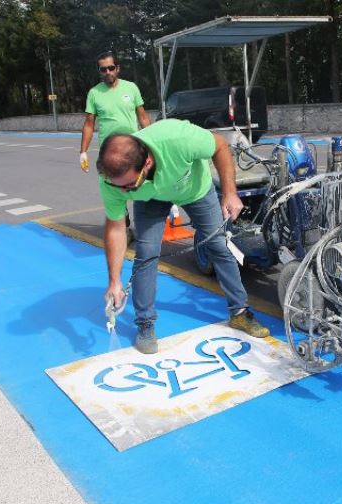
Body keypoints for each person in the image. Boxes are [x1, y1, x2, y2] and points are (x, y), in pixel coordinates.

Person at [97, 119, 270, 354]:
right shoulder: (114, 181)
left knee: (218, 246)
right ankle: (145, 325)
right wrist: (114, 281)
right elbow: (116, 228)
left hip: (194, 189)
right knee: (146, 254)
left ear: (147, 162)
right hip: (151, 199)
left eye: (130, 186)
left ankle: (239, 313)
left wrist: (229, 192)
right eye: (120, 187)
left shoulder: (178, 138)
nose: (124, 192)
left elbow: (220, 145)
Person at [79, 52, 150, 172]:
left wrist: (151, 143)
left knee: (137, 185)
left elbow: (143, 118)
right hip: (108, 152)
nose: (108, 72)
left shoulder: (131, 87)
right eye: (103, 69)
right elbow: (89, 125)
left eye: (111, 68)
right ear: (99, 71)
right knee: (110, 186)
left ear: (117, 68)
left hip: (132, 148)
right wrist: (83, 152)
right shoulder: (94, 93)